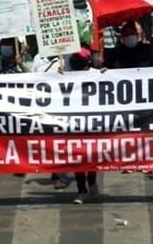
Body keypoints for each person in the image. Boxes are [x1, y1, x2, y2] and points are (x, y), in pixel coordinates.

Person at [67, 48, 100, 204]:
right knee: (77, 157)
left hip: (93, 123)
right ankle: (82, 190)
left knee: (91, 156)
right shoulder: (68, 75)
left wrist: (106, 74)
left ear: (87, 61)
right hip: (75, 124)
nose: (76, 61)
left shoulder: (97, 73)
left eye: (79, 59)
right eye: (75, 58)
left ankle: (92, 183)